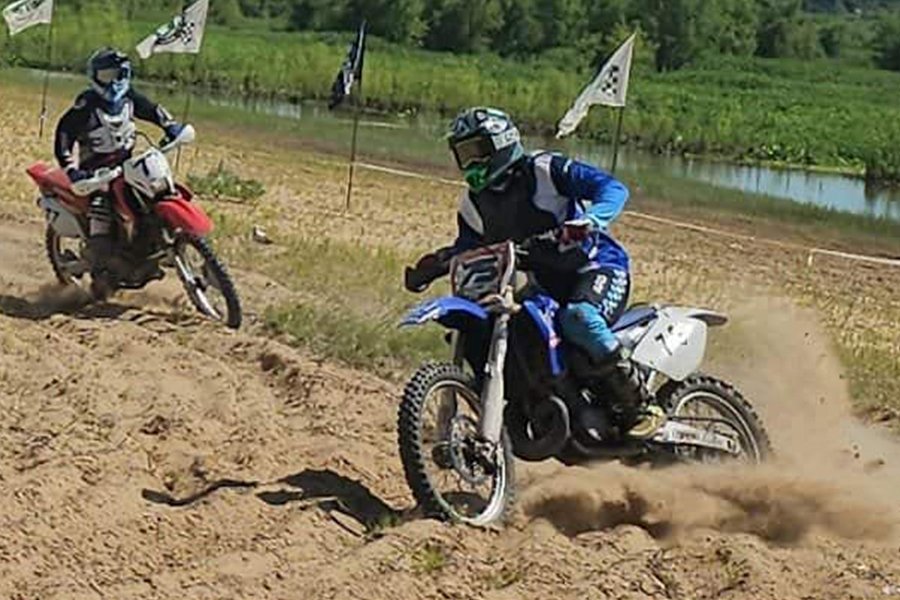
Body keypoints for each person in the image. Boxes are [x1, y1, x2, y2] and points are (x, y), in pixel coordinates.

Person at [404, 106, 665, 439]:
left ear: (500, 144)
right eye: (461, 154)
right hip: (545, 284)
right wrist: (434, 265)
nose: (469, 163)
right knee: (515, 325)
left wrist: (591, 220)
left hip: (597, 268)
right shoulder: (473, 205)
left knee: (580, 318)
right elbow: (467, 249)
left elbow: (612, 188)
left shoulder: (544, 170)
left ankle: (641, 404)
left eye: (475, 151)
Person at [54, 47, 185, 296]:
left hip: (127, 165)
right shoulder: (87, 103)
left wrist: (171, 126)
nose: (112, 81)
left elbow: (153, 110)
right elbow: (64, 133)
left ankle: (158, 243)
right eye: (106, 76)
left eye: (117, 74)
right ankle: (101, 270)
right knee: (101, 208)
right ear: (95, 76)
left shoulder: (129, 97)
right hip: (96, 173)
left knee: (156, 191)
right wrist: (71, 169)